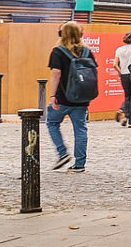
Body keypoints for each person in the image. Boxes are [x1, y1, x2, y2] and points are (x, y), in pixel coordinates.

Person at [44, 22, 96, 172]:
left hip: (64, 98)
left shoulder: (58, 52)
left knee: (52, 122)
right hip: (82, 97)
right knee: (80, 129)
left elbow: (56, 73)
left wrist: (53, 95)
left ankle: (62, 153)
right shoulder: (86, 51)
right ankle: (80, 164)